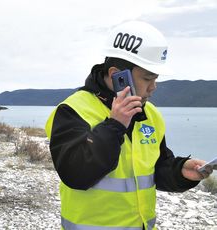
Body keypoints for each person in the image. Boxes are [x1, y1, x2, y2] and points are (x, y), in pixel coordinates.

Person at [45, 20, 213, 229]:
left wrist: (180, 172)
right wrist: (115, 124)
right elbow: (76, 174)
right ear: (117, 75)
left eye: (156, 78)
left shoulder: (150, 114)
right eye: (147, 78)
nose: (153, 87)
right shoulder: (72, 111)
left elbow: (156, 169)